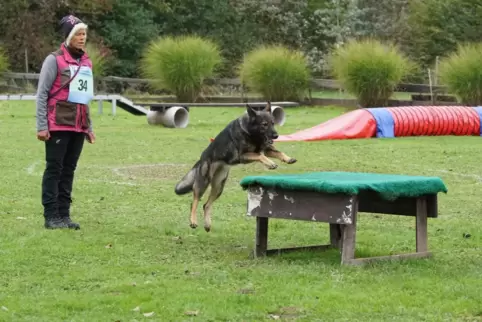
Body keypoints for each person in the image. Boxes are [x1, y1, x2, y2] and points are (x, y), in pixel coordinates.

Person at [35, 15, 96, 230]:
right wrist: (42, 126)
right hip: (57, 123)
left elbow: (86, 97)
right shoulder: (54, 60)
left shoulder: (86, 61)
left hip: (78, 126)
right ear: (69, 36)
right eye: (78, 34)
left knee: (69, 170)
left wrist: (89, 127)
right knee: (55, 169)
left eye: (84, 34)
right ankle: (51, 215)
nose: (82, 38)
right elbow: (42, 94)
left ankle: (64, 215)